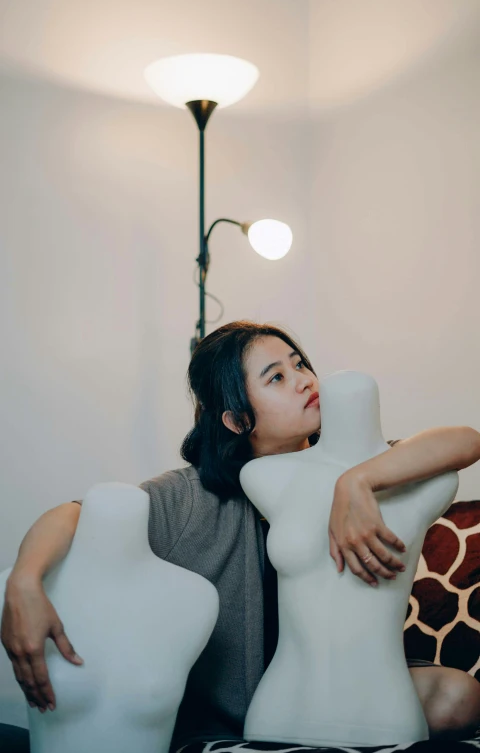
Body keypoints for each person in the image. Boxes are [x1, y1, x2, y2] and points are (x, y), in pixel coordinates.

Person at [2, 320, 480, 750]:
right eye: (276, 377)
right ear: (236, 418)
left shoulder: (364, 465)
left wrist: (356, 481)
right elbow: (76, 515)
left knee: (459, 697)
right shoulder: (193, 495)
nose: (304, 380)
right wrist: (24, 582)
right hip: (255, 700)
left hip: (355, 679)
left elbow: (464, 441)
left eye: (300, 364)